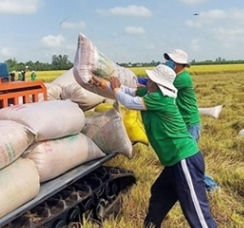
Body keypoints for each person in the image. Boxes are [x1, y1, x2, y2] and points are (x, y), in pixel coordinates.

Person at [92, 64, 217, 228]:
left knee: (197, 212)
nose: (147, 80)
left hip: (184, 159)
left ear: (157, 83)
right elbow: (128, 91)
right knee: (160, 193)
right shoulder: (150, 93)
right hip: (174, 162)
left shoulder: (161, 98)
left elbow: (129, 101)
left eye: (151, 79)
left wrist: (116, 91)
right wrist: (103, 85)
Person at [164, 49, 218, 192]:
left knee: (189, 160)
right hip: (183, 123)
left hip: (190, 123)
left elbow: (159, 87)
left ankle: (211, 186)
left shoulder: (182, 78)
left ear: (179, 64)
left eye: (171, 61)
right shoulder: (176, 76)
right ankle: (180, 188)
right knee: (182, 159)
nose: (168, 63)